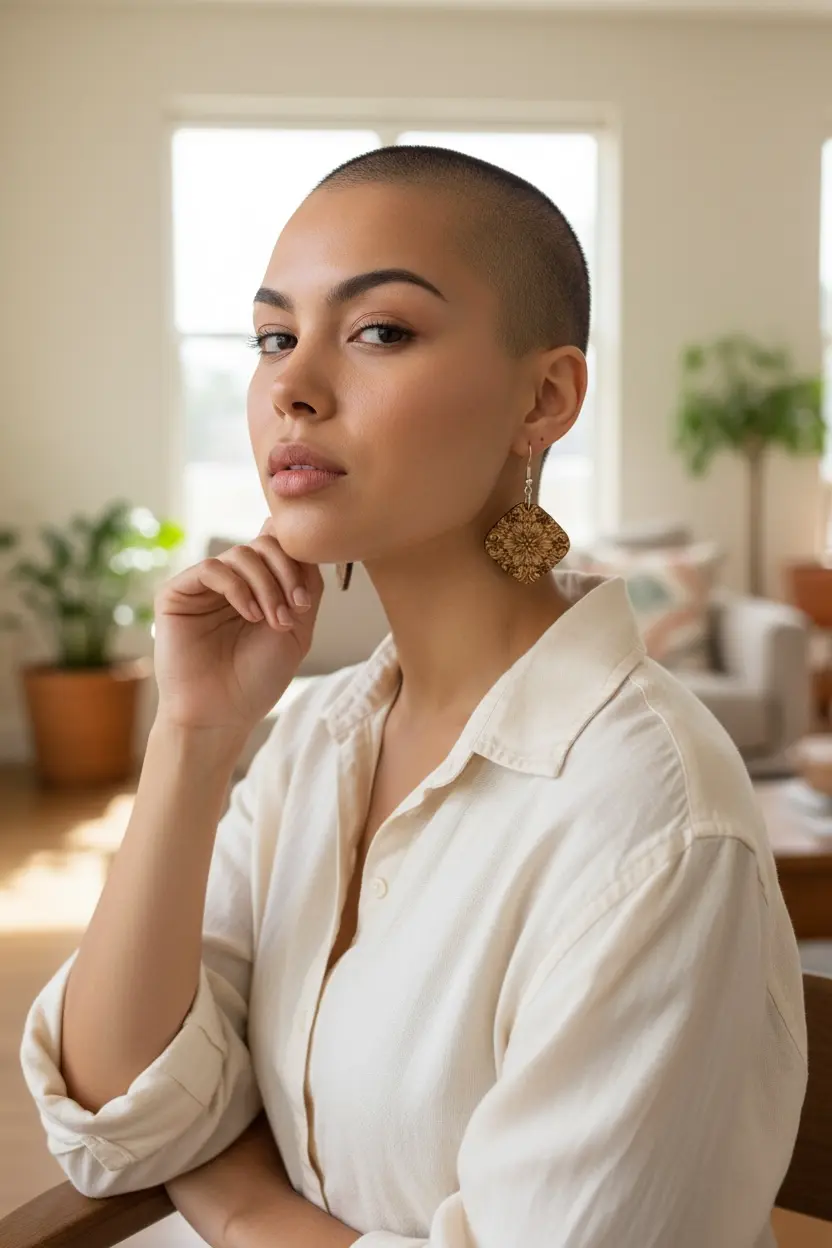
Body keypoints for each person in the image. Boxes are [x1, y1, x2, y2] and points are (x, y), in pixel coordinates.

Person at [19, 145, 807, 1248]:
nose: (291, 384)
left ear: (544, 397)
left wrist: (242, 1202)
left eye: (379, 330)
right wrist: (194, 737)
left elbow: (179, 1147)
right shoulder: (308, 738)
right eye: (273, 338)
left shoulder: (653, 822)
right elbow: (115, 1115)